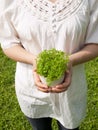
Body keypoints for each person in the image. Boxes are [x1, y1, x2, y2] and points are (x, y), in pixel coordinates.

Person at [0, 0, 98, 130]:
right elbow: (9, 43)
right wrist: (34, 60)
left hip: (72, 89)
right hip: (31, 89)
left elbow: (95, 43)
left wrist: (70, 61)